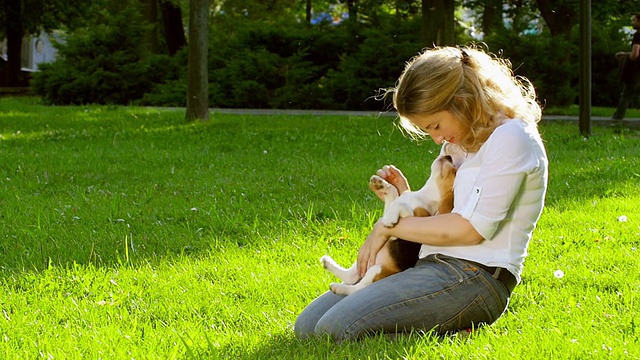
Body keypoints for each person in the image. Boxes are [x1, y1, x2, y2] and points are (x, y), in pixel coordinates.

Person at [294, 45, 548, 342]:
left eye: (435, 125)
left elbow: (471, 230)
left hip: (476, 278)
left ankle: (455, 331)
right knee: (308, 327)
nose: (437, 138)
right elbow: (446, 212)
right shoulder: (459, 143)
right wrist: (405, 198)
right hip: (428, 266)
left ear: (462, 102)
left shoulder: (512, 138)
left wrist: (385, 227)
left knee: (335, 329)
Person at [613, 13, 640, 120]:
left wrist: (625, 56)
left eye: (633, 20)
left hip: (637, 70)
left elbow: (635, 55)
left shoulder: (638, 35)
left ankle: (617, 119)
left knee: (626, 95)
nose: (631, 22)